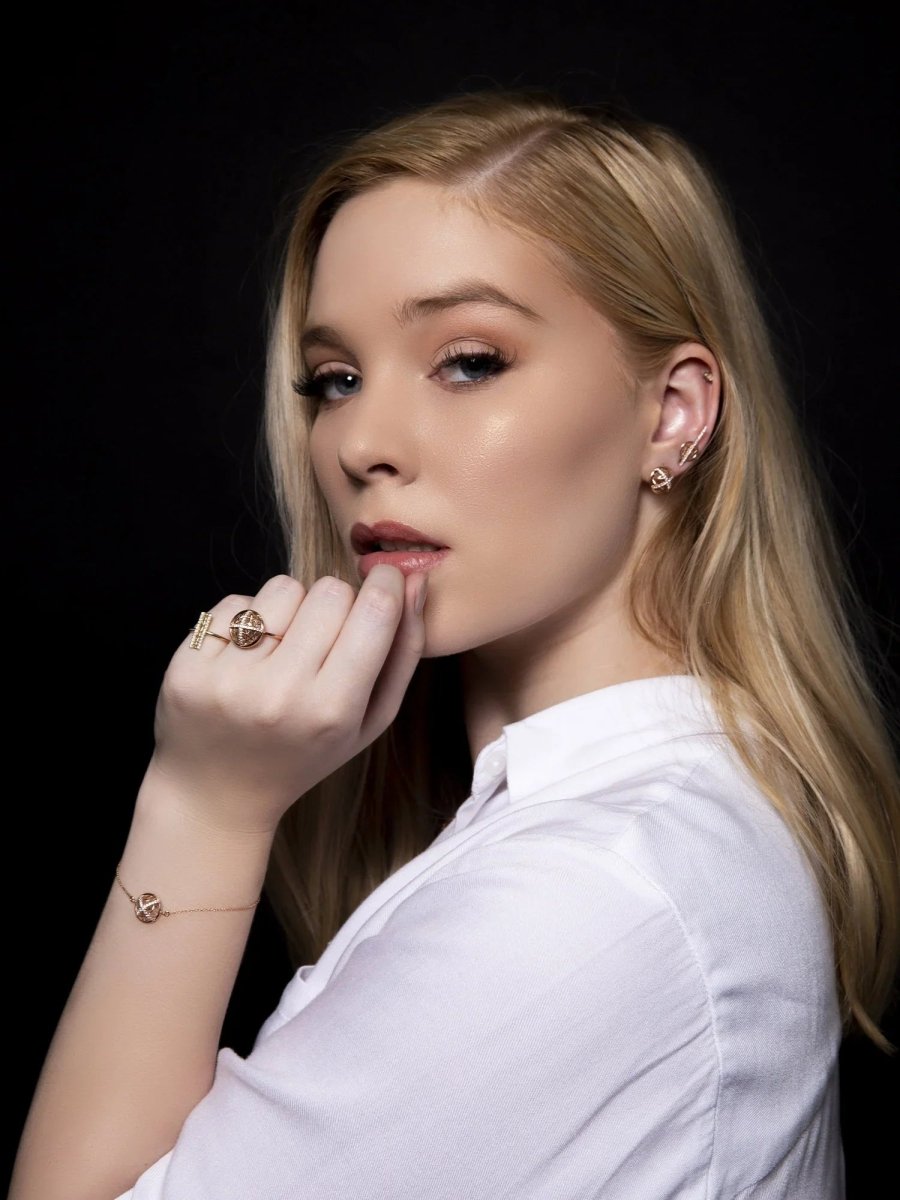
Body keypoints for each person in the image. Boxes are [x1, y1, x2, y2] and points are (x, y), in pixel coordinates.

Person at [11, 85, 900, 1200]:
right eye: (335, 380)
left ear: (672, 414)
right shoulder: (643, 825)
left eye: (468, 360)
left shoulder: (587, 896)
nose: (364, 443)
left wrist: (201, 805)